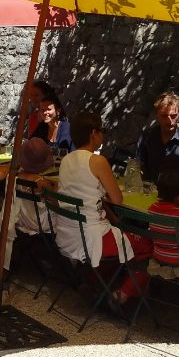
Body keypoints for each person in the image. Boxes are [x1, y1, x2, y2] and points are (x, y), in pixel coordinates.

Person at [54, 112, 141, 272]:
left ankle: (98, 279)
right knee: (145, 244)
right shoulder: (98, 161)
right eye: (102, 130)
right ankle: (124, 285)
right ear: (93, 133)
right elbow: (117, 200)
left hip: (67, 234)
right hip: (92, 239)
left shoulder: (65, 160)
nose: (103, 135)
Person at [14, 137, 57, 236]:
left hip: (23, 218)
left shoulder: (17, 176)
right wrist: (56, 186)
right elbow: (55, 201)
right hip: (41, 222)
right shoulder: (41, 182)